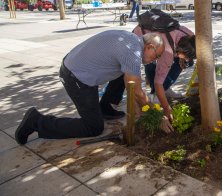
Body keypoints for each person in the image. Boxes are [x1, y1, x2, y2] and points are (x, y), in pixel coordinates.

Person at [15, 30, 165, 145]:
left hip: (77, 65)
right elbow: (137, 92)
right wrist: (157, 115)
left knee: (128, 74)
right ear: (150, 46)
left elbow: (132, 85)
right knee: (93, 127)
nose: (155, 61)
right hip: (76, 77)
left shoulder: (131, 38)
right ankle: (36, 121)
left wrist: (139, 111)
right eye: (157, 56)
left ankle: (104, 108)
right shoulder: (133, 53)